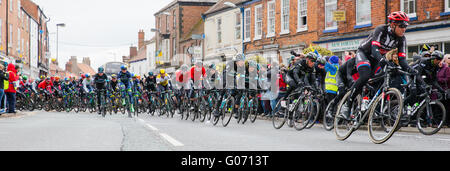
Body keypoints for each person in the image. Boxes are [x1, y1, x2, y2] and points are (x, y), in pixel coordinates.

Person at [341, 11, 418, 120]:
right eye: (401, 26)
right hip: (365, 53)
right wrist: (382, 60)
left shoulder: (401, 39)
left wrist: (410, 69)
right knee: (365, 76)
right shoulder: (381, 30)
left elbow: (402, 60)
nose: (404, 29)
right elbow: (374, 49)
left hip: (377, 59)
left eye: (406, 26)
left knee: (378, 79)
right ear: (392, 24)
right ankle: (347, 104)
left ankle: (370, 105)